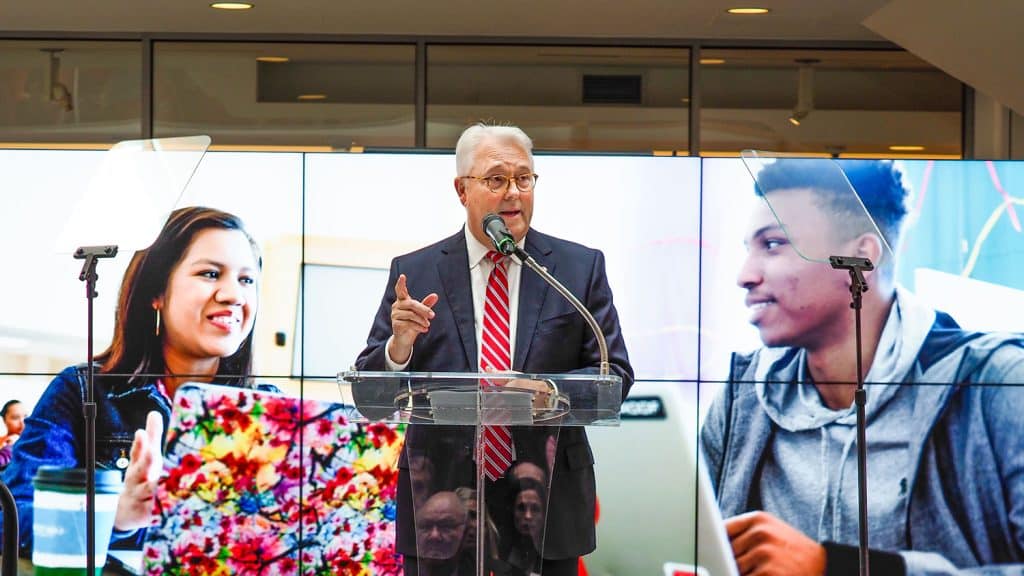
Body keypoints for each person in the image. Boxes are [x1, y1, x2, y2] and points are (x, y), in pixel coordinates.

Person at [700, 159, 1024, 575]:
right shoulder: (742, 398)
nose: (745, 276)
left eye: (774, 244)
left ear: (860, 257)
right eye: (749, 249)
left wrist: (830, 568)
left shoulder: (998, 384)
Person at [355, 123, 633, 576]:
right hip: (442, 505)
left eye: (524, 179)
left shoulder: (577, 269)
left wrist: (547, 390)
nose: (513, 193)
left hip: (544, 500)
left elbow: (615, 377)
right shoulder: (417, 272)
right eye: (496, 179)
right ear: (462, 190)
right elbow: (371, 398)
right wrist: (399, 346)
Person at [1, 206, 263, 555]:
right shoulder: (81, 391)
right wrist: (117, 516)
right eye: (211, 274)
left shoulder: (273, 412)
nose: (234, 295)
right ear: (156, 292)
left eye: (247, 280)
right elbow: (11, 520)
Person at [0, 400, 27, 469]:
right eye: (15, 418)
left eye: (26, 417)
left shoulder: (33, 440)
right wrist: (9, 446)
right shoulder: (2, 442)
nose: (22, 422)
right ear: (4, 420)